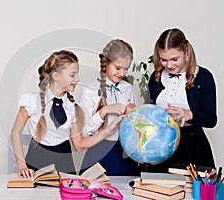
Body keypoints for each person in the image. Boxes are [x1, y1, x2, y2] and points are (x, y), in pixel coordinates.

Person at [11, 50, 124, 178]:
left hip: (65, 168)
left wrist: (107, 131)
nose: (78, 79)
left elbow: (79, 145)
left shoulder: (73, 108)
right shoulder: (31, 101)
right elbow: (15, 132)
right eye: (72, 75)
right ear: (56, 76)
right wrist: (22, 166)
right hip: (35, 166)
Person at [148, 28, 217, 171]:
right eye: (164, 60)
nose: (169, 65)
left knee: (195, 192)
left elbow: (211, 119)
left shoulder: (203, 77)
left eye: (175, 59)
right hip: (161, 147)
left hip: (193, 148)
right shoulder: (156, 77)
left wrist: (189, 114)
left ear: (186, 51)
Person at [79, 39, 140, 176]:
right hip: (98, 153)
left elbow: (133, 128)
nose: (122, 74)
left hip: (124, 153)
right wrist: (104, 111)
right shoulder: (89, 90)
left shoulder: (128, 88)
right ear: (106, 63)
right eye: (118, 68)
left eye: (126, 69)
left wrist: (134, 112)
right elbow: (84, 132)